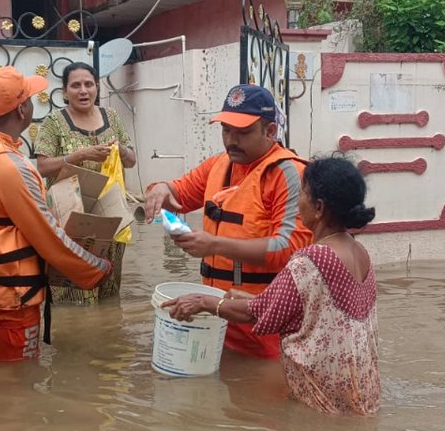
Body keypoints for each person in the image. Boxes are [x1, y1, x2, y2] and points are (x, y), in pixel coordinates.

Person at [161, 154, 380, 415]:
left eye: (302, 193)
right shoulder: (360, 254)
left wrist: (203, 302)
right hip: (362, 395)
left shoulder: (311, 259)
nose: (297, 202)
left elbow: (256, 315)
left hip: (323, 403)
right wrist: (246, 298)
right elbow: (319, 313)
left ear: (319, 208)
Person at [0, 66, 113, 362]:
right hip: (12, 295)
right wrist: (96, 268)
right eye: (30, 98)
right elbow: (47, 237)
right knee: (15, 385)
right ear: (22, 109)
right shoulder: (10, 166)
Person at [143, 84, 312, 359]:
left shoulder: (289, 174)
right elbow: (180, 192)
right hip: (215, 314)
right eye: (226, 130)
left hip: (265, 320)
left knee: (264, 391)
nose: (232, 140)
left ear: (270, 131)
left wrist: (215, 245)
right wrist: (160, 188)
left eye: (243, 132)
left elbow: (290, 250)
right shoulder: (219, 164)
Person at [34, 62, 137, 304]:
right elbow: (43, 166)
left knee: (109, 288)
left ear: (97, 88)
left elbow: (131, 161)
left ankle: (106, 332)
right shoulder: (53, 122)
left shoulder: (111, 117)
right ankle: (73, 335)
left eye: (88, 84)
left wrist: (120, 149)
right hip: (70, 217)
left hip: (110, 214)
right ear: (64, 91)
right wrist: (80, 155)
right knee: (72, 291)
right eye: (76, 85)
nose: (83, 91)